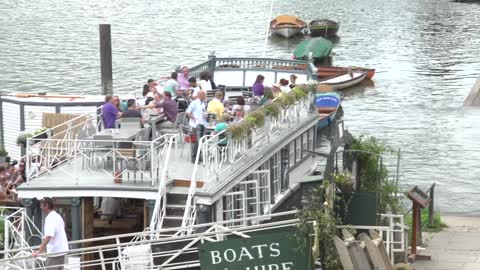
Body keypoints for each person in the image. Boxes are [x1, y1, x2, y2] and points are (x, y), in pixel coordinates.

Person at [33, 198, 69, 270]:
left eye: (41, 205)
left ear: (46, 205)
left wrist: (38, 251)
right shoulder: (58, 216)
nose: (40, 207)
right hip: (61, 251)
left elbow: (48, 236)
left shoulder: (50, 218)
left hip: (54, 253)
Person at [186, 90, 207, 163]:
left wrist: (205, 115)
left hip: (202, 124)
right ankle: (194, 157)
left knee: (200, 141)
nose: (205, 96)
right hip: (194, 126)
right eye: (203, 94)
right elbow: (188, 112)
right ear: (199, 95)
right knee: (195, 142)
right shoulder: (194, 103)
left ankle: (199, 155)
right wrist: (194, 119)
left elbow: (202, 111)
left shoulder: (203, 103)